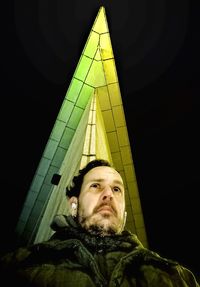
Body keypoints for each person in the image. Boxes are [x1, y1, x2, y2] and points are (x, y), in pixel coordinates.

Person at [0, 159, 199, 286]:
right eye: (96, 186)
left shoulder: (175, 277)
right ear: (73, 204)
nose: (108, 195)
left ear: (125, 215)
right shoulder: (19, 267)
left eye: (116, 189)